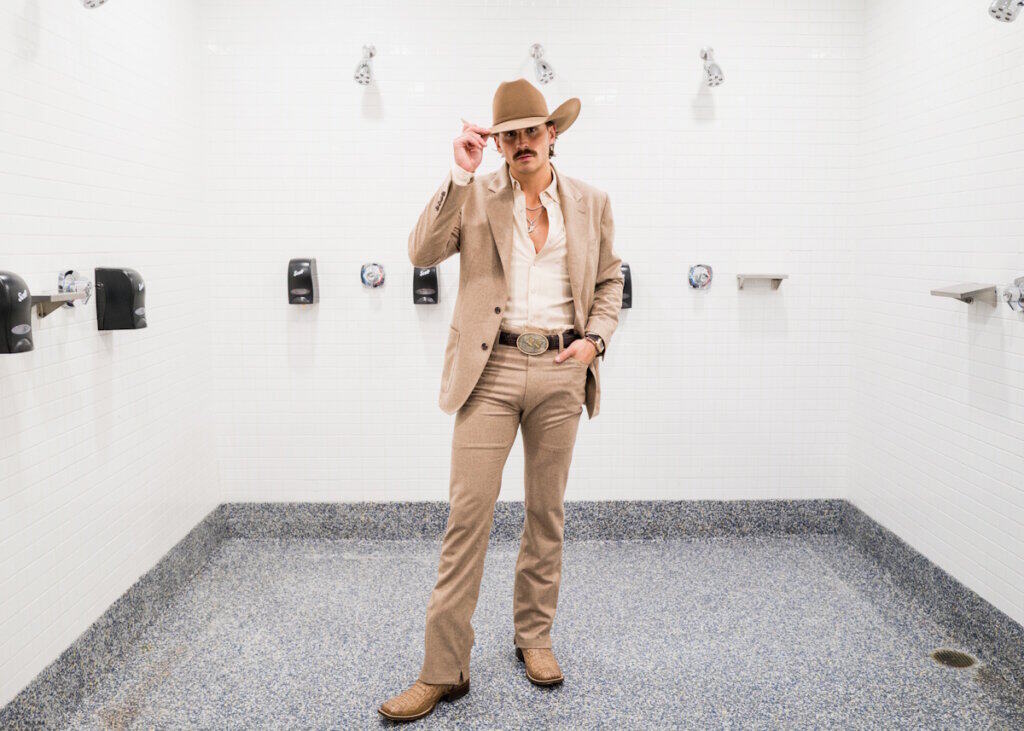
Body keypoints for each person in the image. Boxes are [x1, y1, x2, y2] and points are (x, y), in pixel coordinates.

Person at [379, 77, 623, 722]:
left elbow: (609, 280)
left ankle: (533, 638)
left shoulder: (592, 202)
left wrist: (595, 341)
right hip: (489, 371)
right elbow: (421, 251)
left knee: (546, 512)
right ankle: (443, 670)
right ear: (497, 143)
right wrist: (459, 175)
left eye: (530, 131)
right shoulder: (477, 194)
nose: (520, 143)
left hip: (562, 369)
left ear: (552, 134)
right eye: (508, 135)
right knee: (468, 518)